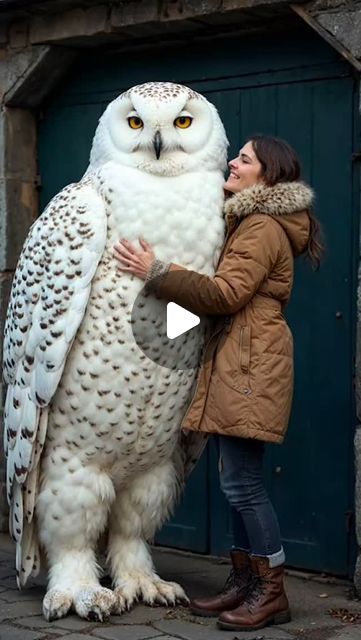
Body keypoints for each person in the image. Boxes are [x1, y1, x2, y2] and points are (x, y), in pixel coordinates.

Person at [113, 135, 323, 632]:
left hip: (250, 364)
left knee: (243, 483)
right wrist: (158, 335)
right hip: (241, 357)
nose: (232, 161)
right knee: (237, 482)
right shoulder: (248, 222)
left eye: (244, 159)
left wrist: (156, 271)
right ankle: (243, 582)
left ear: (267, 177)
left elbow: (226, 294)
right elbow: (221, 302)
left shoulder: (262, 227)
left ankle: (271, 592)